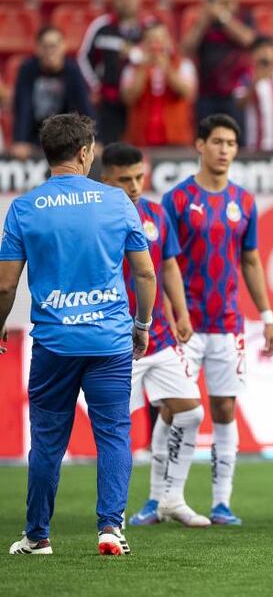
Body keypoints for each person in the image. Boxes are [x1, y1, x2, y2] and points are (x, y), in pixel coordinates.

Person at [3, 114, 154, 556]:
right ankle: (110, 529)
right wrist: (141, 325)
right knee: (113, 433)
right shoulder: (118, 202)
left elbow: (5, 285)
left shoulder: (24, 208)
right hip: (109, 341)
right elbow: (144, 272)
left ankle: (37, 536)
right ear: (86, 152)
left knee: (48, 440)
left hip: (54, 343)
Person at [161, 114, 273, 526]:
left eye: (231, 142)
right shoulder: (175, 201)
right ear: (199, 145)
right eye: (217, 141)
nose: (225, 149)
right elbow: (163, 263)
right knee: (172, 410)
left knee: (225, 408)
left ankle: (221, 501)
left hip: (228, 324)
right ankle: (160, 498)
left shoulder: (244, 202)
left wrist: (267, 316)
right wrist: (170, 313)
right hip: (184, 326)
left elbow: (251, 260)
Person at [96, 144, 207, 529]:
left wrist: (182, 312)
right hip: (113, 342)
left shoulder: (156, 213)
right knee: (115, 429)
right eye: (124, 179)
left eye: (138, 177)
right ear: (105, 179)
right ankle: (113, 515)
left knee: (190, 411)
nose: (134, 186)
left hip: (158, 336)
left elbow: (169, 265)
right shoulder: (93, 218)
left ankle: (170, 498)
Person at [78, 0, 151, 144]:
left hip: (140, 99)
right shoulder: (102, 26)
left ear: (139, 0)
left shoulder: (149, 27)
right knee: (108, 144)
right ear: (114, 1)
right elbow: (84, 58)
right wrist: (95, 86)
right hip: (109, 98)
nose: (126, 2)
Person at [181, 0, 256, 131]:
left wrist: (223, 18)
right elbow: (186, 49)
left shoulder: (244, 17)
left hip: (236, 92)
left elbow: (248, 40)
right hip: (207, 92)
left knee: (235, 137)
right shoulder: (202, 22)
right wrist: (203, 22)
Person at [11, 27, 94, 159]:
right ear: (37, 49)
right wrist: (20, 141)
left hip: (66, 139)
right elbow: (22, 108)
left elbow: (84, 107)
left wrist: (93, 140)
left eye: (54, 46)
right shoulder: (27, 70)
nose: (50, 52)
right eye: (45, 47)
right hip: (35, 138)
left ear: (63, 47)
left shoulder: (72, 71)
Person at [119, 22, 197, 147]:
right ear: (143, 43)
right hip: (140, 141)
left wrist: (167, 68)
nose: (156, 45)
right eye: (151, 40)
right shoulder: (132, 68)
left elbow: (188, 93)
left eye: (160, 39)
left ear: (168, 41)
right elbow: (129, 98)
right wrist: (143, 68)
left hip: (176, 140)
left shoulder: (183, 64)